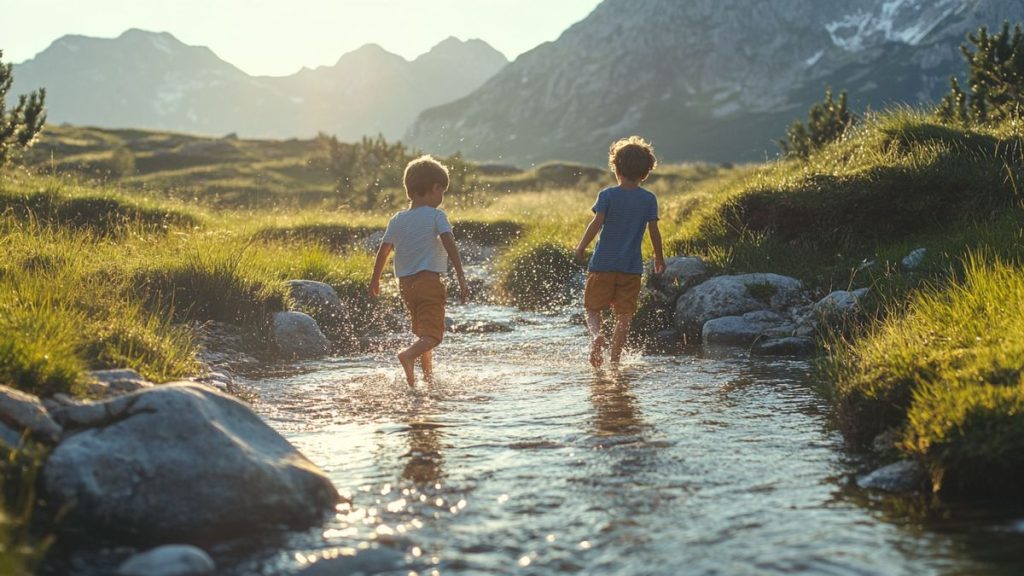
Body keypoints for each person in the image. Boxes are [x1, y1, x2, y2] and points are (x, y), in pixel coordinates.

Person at [370, 155, 470, 387]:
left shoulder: (397, 219)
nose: (442, 197)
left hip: (405, 285)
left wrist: (375, 280)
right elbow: (449, 243)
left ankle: (426, 377)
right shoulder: (437, 215)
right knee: (433, 335)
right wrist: (461, 277)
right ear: (435, 188)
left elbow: (384, 251)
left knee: (422, 333)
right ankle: (407, 355)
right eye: (442, 191)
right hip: (429, 282)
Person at [574, 136, 665, 367]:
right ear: (645, 173)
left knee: (592, 309)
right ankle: (615, 362)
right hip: (631, 268)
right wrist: (659, 258)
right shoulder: (648, 199)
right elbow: (654, 231)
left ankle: (596, 337)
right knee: (624, 317)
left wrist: (582, 246)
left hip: (602, 264)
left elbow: (596, 224)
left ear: (616, 168)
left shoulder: (607, 196)